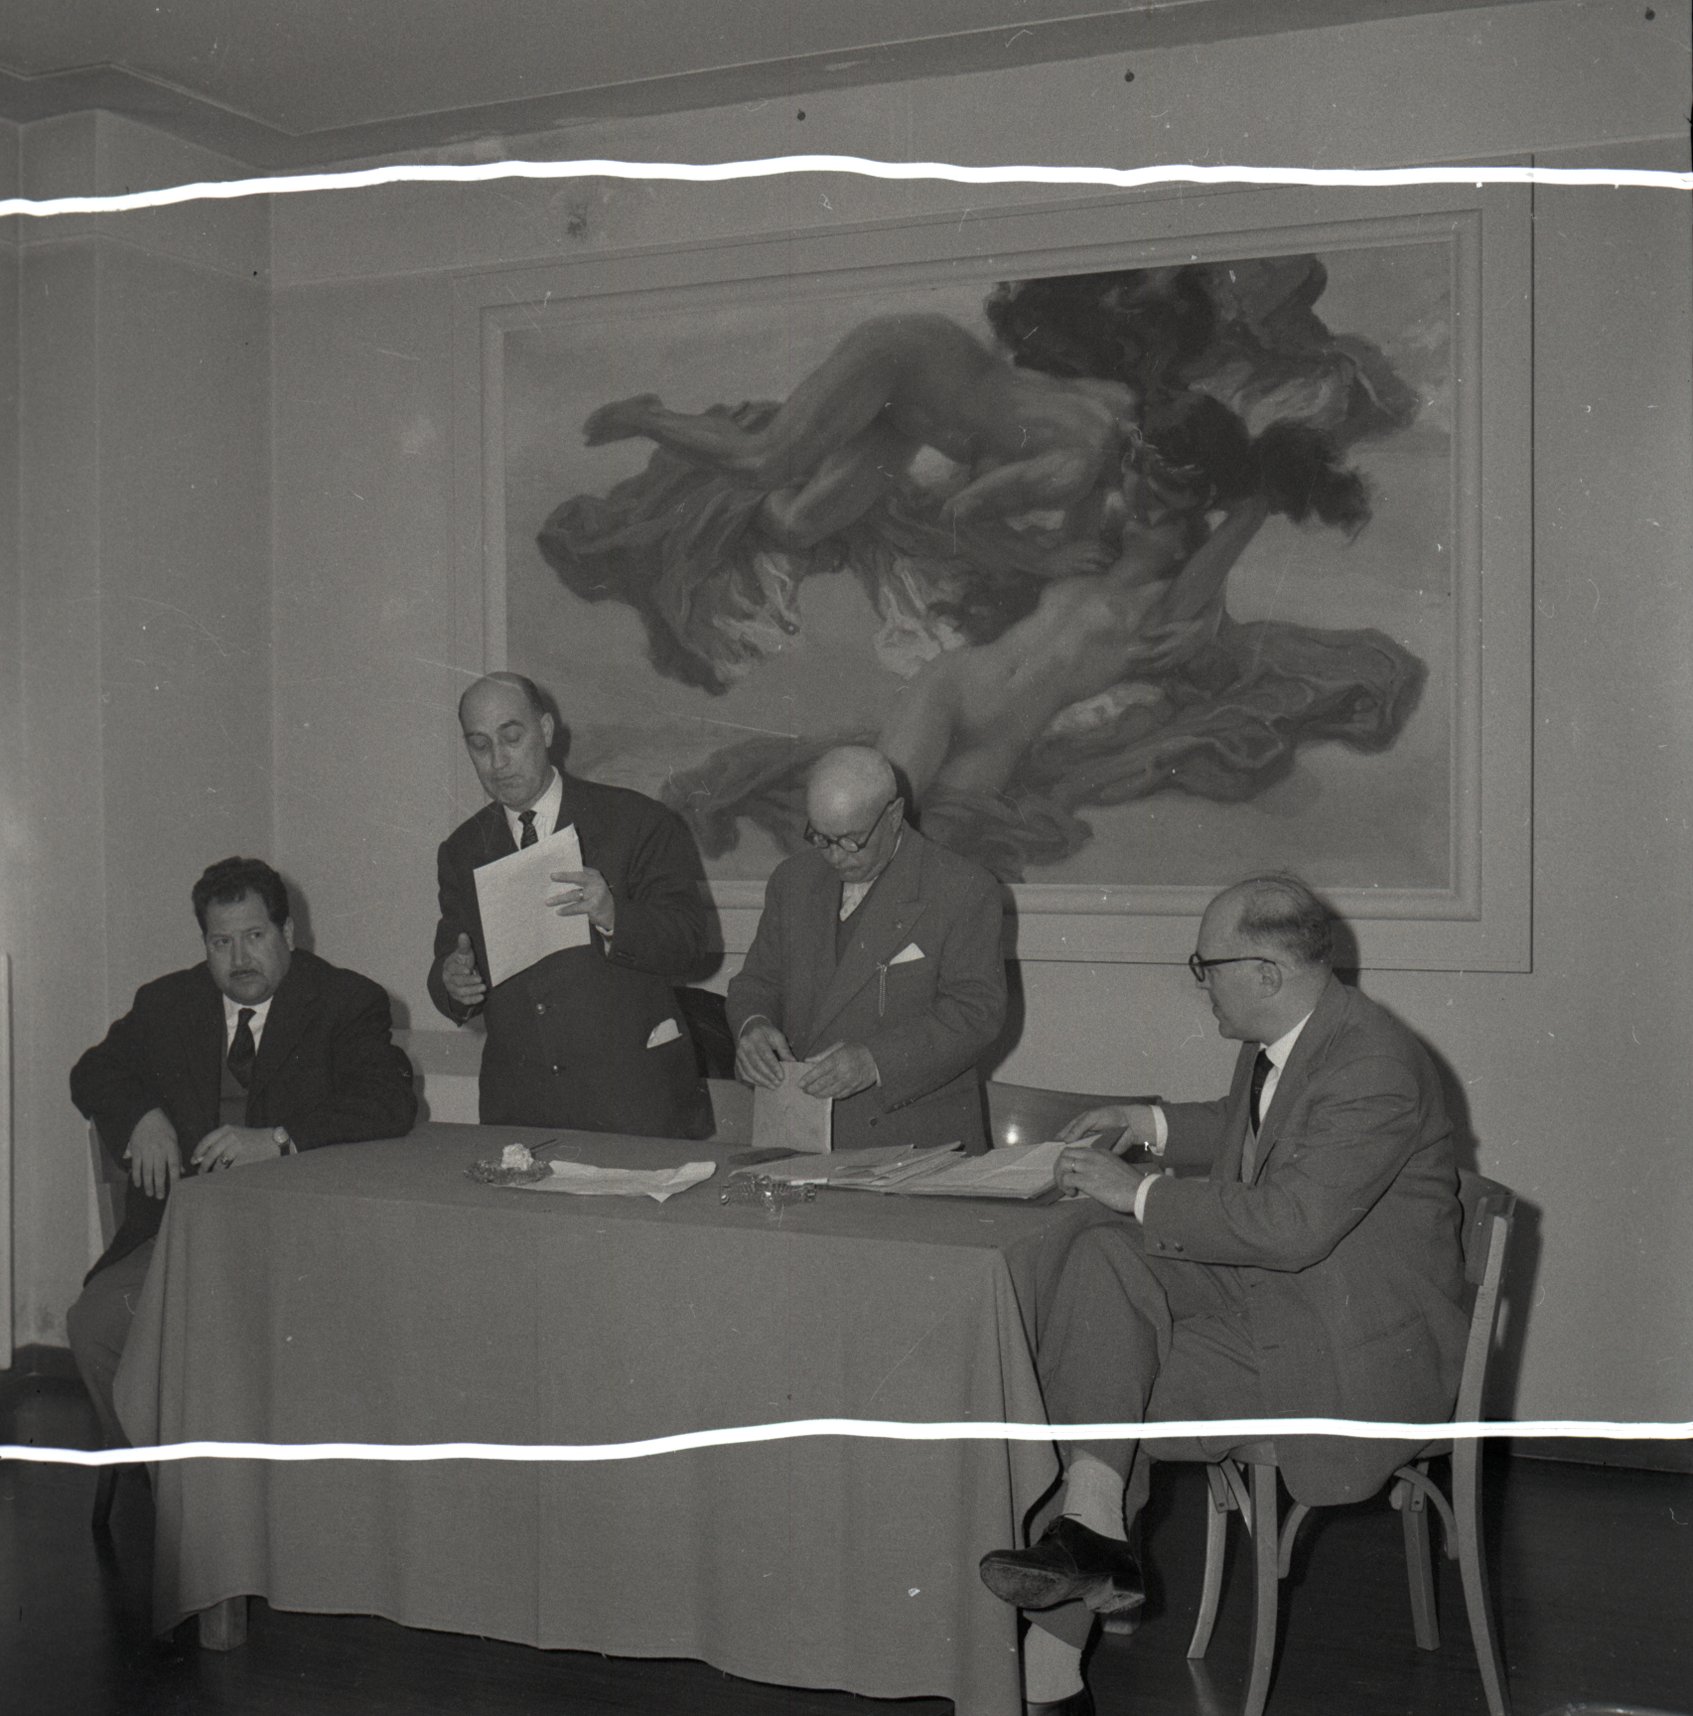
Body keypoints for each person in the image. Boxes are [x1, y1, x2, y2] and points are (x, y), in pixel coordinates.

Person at [978, 874, 1468, 1716]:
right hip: (1289, 1301)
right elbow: (1261, 1127)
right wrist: (1150, 1123)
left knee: (1087, 1380)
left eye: (1205, 966)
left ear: (1267, 974)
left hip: (1349, 1353)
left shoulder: (1373, 1065)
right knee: (1103, 1262)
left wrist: (1136, 1190)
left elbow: (1290, 1226)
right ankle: (1091, 1539)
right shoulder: (1299, 1038)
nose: (1199, 981)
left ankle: (1052, 1662)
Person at [67, 857, 418, 1446]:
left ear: (288, 933)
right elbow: (93, 1071)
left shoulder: (344, 1000)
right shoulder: (168, 1003)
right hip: (181, 1238)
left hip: (297, 1245)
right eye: (220, 942)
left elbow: (389, 1101)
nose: (239, 959)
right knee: (95, 1324)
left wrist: (279, 1140)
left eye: (255, 936)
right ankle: (163, 1480)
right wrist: (141, 1118)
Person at [582, 312, 1140, 553]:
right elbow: (959, 512)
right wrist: (1041, 560)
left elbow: (1081, 534)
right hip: (905, 358)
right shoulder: (1075, 468)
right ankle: (650, 417)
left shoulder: (1116, 419)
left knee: (797, 527)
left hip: (911, 413)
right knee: (766, 462)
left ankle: (772, 448)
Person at [429, 672, 712, 1137]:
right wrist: (452, 982)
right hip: (520, 1111)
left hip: (635, 1107)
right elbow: (448, 964)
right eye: (480, 745)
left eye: (511, 738)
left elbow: (691, 945)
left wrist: (615, 916)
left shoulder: (636, 820)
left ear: (545, 730)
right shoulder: (462, 850)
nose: (498, 761)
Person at [727, 746, 1006, 1151]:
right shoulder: (792, 880)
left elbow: (976, 1012)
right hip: (799, 1133)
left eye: (850, 840)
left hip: (913, 1141)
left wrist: (875, 1061)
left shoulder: (963, 887)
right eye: (820, 838)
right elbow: (757, 981)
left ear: (893, 816)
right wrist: (752, 1026)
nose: (834, 856)